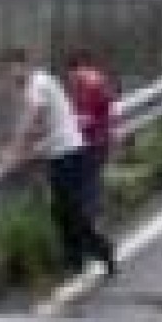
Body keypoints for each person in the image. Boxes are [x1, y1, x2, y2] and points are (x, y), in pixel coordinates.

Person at [0, 45, 115, 277]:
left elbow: (30, 120)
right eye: (4, 71)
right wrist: (11, 150)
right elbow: (38, 126)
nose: (8, 76)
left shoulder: (37, 84)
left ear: (23, 65)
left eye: (10, 69)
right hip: (60, 153)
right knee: (61, 211)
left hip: (69, 153)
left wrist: (13, 153)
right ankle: (75, 259)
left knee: (70, 211)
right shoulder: (36, 84)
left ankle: (100, 250)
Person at [63, 48, 116, 220]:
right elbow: (108, 112)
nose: (70, 79)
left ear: (79, 68)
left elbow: (87, 119)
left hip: (93, 142)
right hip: (99, 140)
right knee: (90, 185)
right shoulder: (98, 81)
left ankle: (92, 226)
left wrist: (69, 121)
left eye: (71, 73)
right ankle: (95, 222)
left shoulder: (90, 86)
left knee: (87, 187)